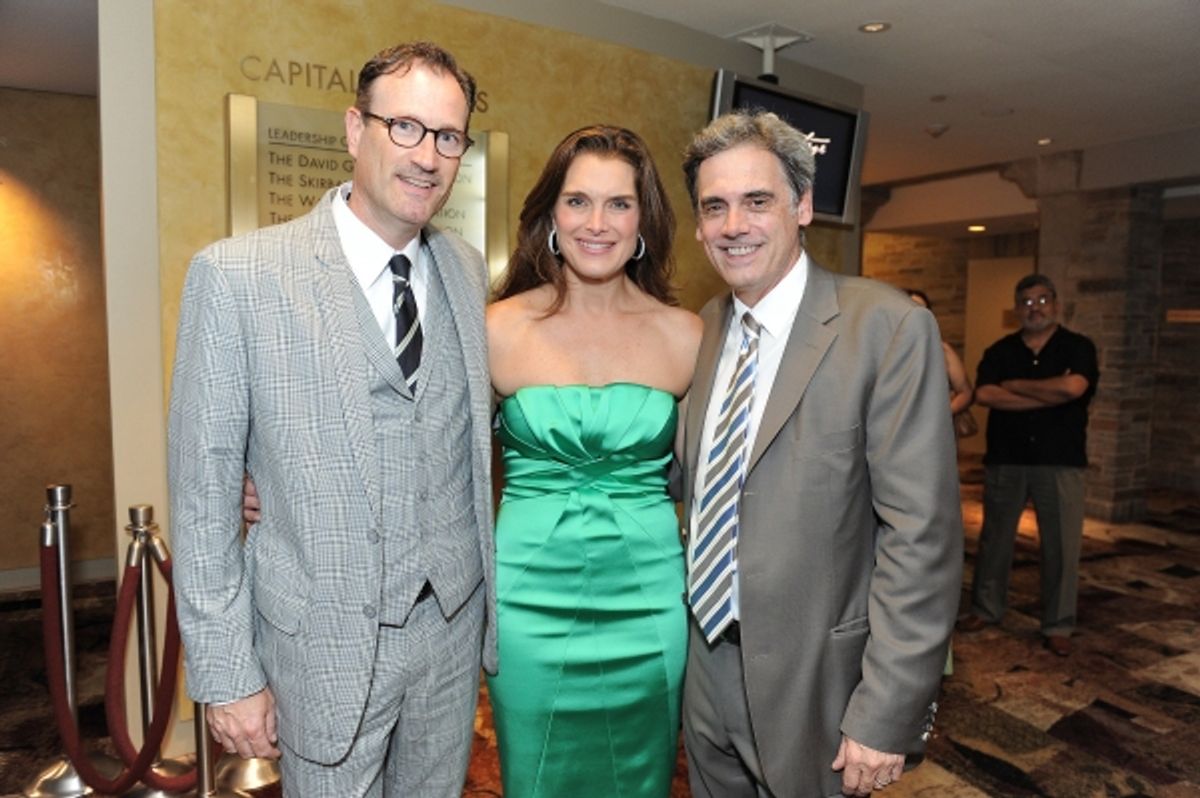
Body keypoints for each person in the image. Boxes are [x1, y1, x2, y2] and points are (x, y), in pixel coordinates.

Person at [168, 42, 496, 797]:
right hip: (321, 645)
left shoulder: (466, 270)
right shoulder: (237, 277)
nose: (427, 156)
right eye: (405, 127)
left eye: (449, 137)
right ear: (355, 129)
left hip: (450, 637)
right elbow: (203, 495)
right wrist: (227, 673)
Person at [678, 110, 962, 798]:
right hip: (703, 670)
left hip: (820, 688)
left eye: (757, 201)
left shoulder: (887, 328)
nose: (733, 225)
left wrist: (887, 710)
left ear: (802, 206)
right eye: (714, 207)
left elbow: (921, 537)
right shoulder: (702, 329)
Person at [485, 125, 702, 797]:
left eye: (619, 203)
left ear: (644, 221)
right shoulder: (496, 327)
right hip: (527, 603)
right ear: (551, 214)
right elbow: (420, 451)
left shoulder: (687, 335)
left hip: (648, 601)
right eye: (578, 201)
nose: (597, 223)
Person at [956, 274, 1098, 658]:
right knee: (995, 540)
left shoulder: (1078, 347)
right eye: (1027, 302)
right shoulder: (1000, 350)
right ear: (1017, 308)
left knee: (1062, 546)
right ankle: (986, 609)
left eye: (1042, 300)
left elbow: (1074, 388)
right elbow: (986, 394)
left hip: (1061, 461)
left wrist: (1015, 386)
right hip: (1007, 458)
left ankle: (1058, 624)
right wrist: (1051, 394)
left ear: (1056, 304)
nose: (1035, 308)